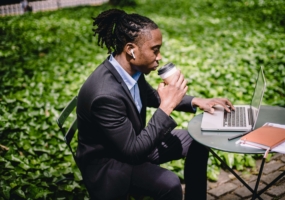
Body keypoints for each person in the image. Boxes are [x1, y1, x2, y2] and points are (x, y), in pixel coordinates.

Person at [76, 8, 234, 200]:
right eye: (155, 50)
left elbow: (152, 96)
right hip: (110, 166)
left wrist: (197, 101)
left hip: (132, 144)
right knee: (170, 184)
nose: (159, 57)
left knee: (197, 140)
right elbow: (132, 152)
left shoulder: (129, 70)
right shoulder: (105, 95)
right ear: (131, 50)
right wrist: (166, 108)